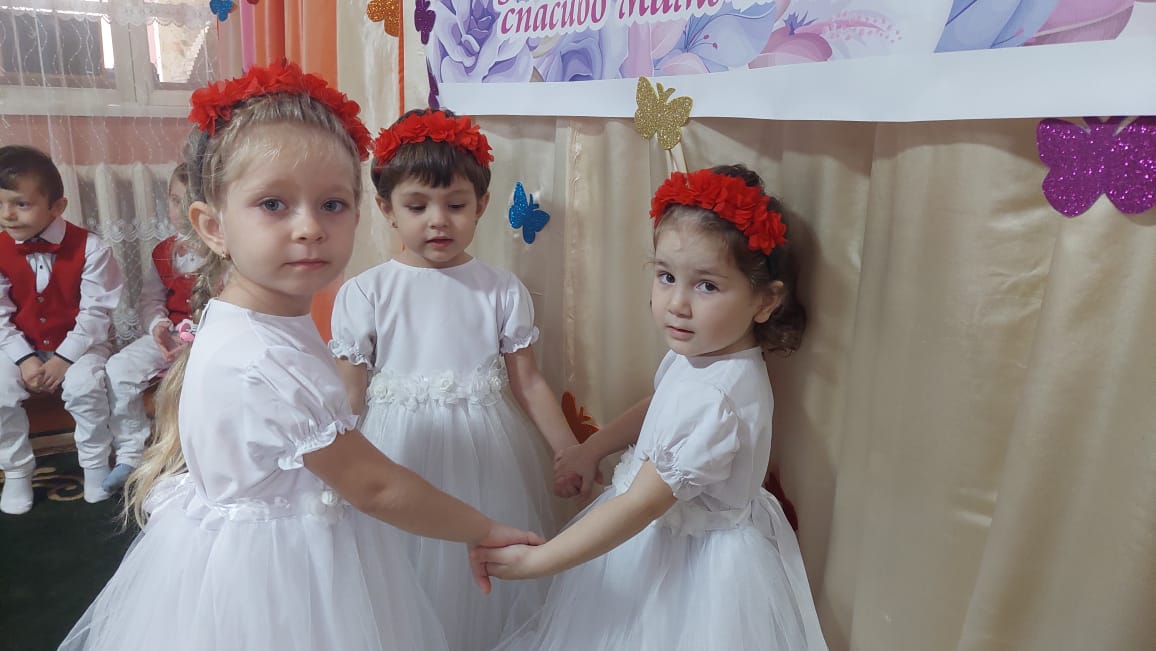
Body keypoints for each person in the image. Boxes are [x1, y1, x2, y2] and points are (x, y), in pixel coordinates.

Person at [59, 61, 540, 651]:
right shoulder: (268, 357)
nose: (310, 228)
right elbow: (375, 486)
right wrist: (481, 528)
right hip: (280, 579)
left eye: (332, 204)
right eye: (273, 204)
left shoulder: (248, 317)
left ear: (359, 213)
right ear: (212, 225)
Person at [480, 165, 829, 650]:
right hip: (664, 536)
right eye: (666, 277)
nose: (677, 304)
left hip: (685, 564)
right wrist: (593, 448)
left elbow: (641, 503)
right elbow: (658, 405)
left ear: (765, 302)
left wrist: (541, 561)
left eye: (707, 286)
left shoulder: (714, 398)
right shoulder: (704, 356)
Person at [329, 108, 579, 650]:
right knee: (399, 567)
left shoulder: (501, 288)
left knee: (482, 573)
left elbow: (529, 382)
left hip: (485, 455)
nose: (438, 220)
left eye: (456, 205)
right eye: (417, 206)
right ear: (386, 209)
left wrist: (567, 450)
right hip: (397, 451)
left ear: (481, 206)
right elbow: (349, 392)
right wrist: (332, 469)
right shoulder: (366, 292)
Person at [0, 145, 123, 514]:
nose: (7, 214)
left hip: (82, 344)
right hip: (20, 344)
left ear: (57, 207)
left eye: (21, 204)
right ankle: (17, 470)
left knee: (85, 387)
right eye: (0, 204)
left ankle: (95, 466)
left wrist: (62, 360)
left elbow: (96, 313)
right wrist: (23, 359)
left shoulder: (92, 248)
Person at [102, 164, 199, 493]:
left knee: (199, 382)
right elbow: (151, 300)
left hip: (210, 338)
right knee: (119, 367)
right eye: (175, 201)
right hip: (170, 335)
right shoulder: (162, 252)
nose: (181, 211)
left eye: (192, 202)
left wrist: (197, 337)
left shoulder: (228, 251)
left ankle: (192, 453)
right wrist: (157, 326)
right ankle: (130, 452)